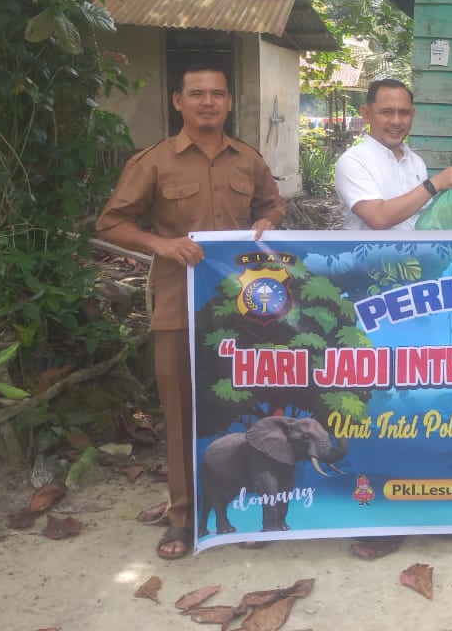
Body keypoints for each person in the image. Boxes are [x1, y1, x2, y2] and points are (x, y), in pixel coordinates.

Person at [95, 64, 285, 560]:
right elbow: (111, 223)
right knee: (181, 412)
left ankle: (247, 510)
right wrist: (161, 244)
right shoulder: (154, 162)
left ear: (229, 102)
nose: (208, 102)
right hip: (179, 308)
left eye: (217, 94)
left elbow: (272, 207)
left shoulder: (248, 159)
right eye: (197, 93)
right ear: (178, 101)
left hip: (243, 313)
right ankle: (182, 517)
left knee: (245, 407)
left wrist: (267, 222)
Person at [334, 79, 452, 231]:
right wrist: (434, 185)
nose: (396, 121)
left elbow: (420, 218)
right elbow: (378, 218)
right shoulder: (353, 161)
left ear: (412, 115)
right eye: (386, 112)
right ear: (366, 114)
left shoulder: (416, 162)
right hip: (371, 248)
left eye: (404, 113)